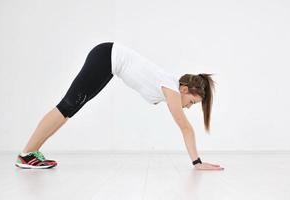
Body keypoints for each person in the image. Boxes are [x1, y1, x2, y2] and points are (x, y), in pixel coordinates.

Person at [15, 42, 224, 170]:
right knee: (67, 106)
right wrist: (198, 163)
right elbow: (186, 128)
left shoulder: (170, 86)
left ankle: (31, 153)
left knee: (70, 109)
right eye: (191, 103)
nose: (187, 107)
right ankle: (26, 154)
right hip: (106, 57)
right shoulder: (171, 90)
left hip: (108, 63)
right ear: (185, 89)